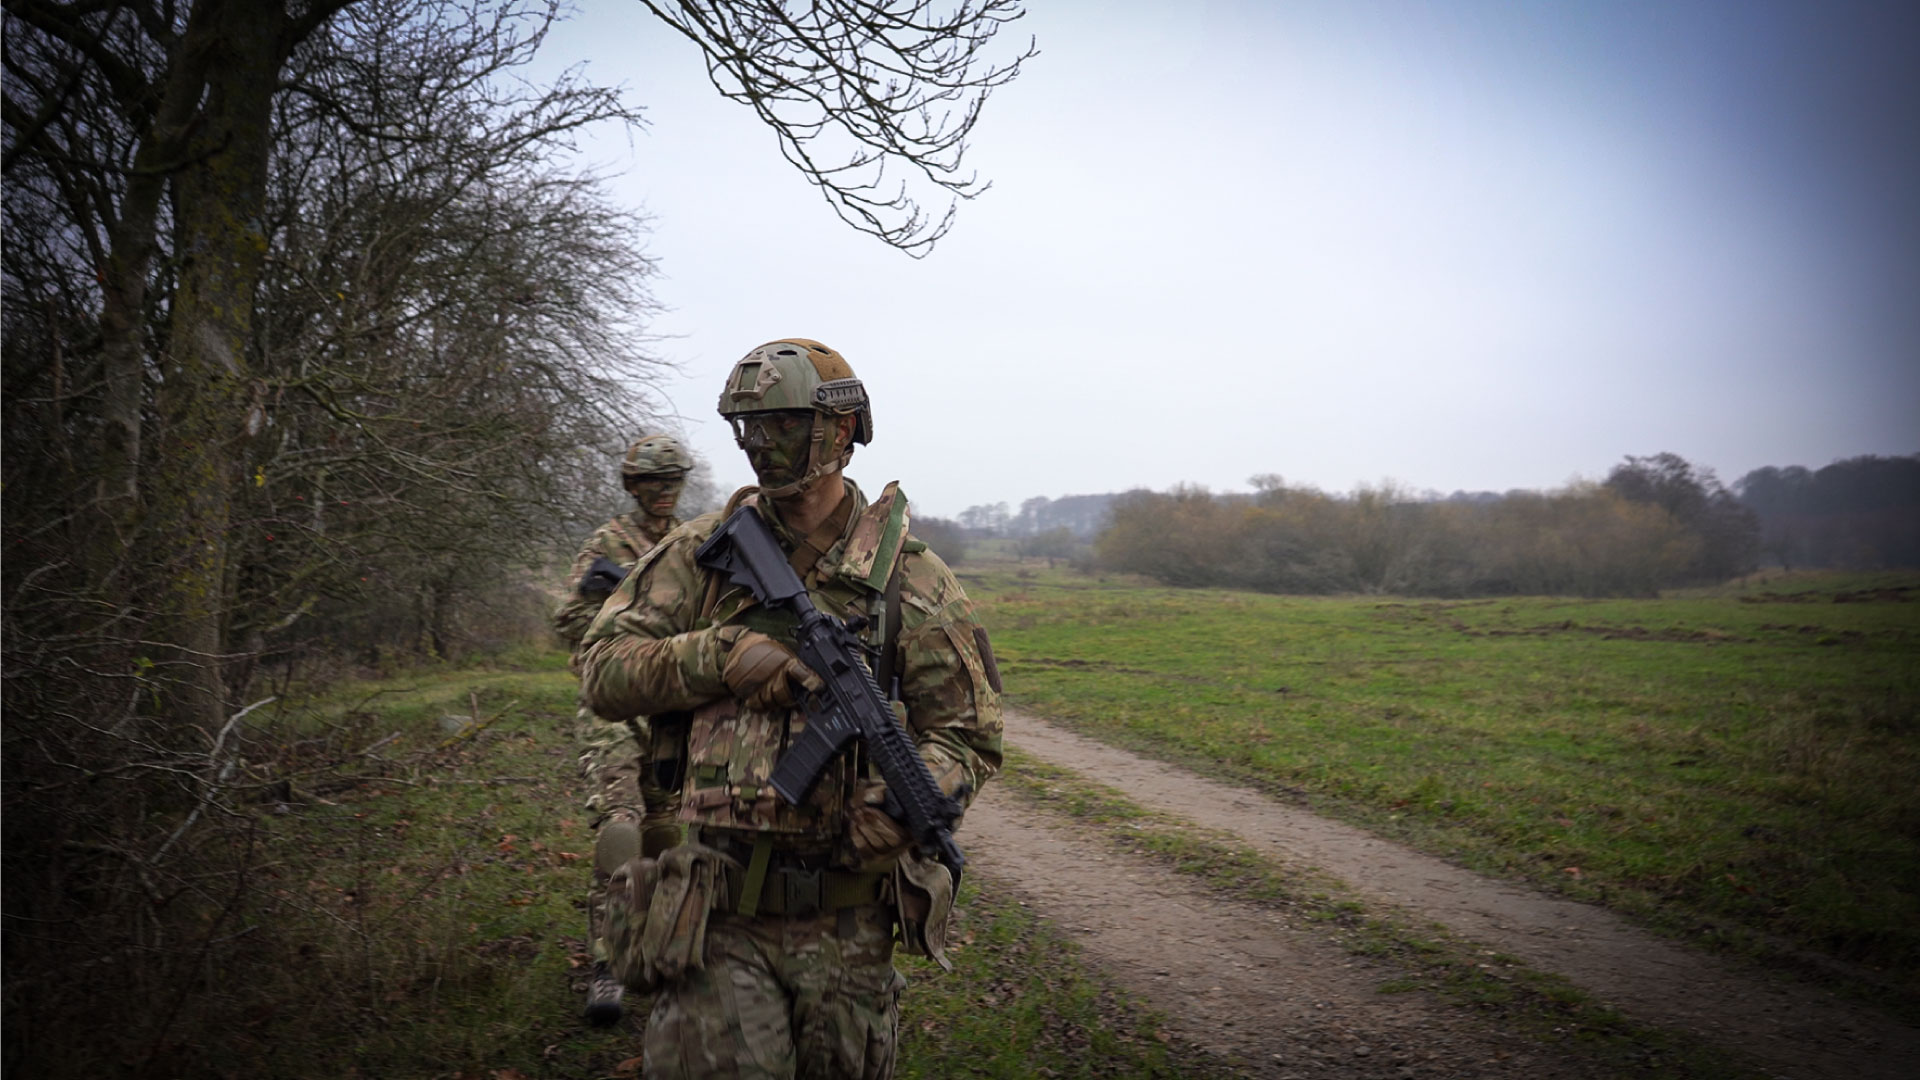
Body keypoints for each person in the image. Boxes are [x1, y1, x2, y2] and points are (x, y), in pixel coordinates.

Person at [579, 339, 1004, 1078]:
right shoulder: (699, 554)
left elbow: (968, 734)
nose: (759, 446)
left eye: (779, 423)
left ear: (840, 431)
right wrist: (716, 657)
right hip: (716, 910)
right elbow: (601, 669)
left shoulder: (909, 577)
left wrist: (914, 803)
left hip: (848, 921)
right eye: (746, 427)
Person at [555, 432, 694, 1025]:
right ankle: (608, 965)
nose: (663, 493)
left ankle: (659, 953)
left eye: (672, 481)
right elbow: (569, 625)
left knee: (667, 835)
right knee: (620, 823)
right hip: (614, 706)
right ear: (632, 486)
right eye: (651, 483)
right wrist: (613, 607)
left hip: (672, 711)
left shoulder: (695, 544)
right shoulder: (606, 544)